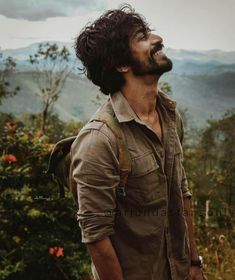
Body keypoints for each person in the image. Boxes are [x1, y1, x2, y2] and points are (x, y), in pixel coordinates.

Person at [72, 5, 205, 280]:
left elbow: (181, 194)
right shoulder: (99, 140)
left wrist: (193, 263)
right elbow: (97, 237)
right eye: (142, 37)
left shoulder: (169, 116)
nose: (157, 39)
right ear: (122, 64)